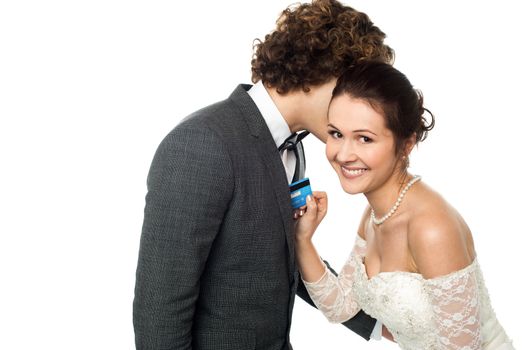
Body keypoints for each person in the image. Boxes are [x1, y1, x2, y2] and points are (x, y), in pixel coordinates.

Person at [133, 1, 395, 349]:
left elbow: (283, 259)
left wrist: (377, 324)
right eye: (359, 94)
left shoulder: (293, 145)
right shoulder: (201, 143)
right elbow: (159, 315)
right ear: (321, 72)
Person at [294, 60, 514, 349]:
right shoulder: (374, 216)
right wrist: (303, 238)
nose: (344, 154)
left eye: (364, 138)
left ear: (406, 144)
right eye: (336, 134)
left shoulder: (431, 229)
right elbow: (342, 307)